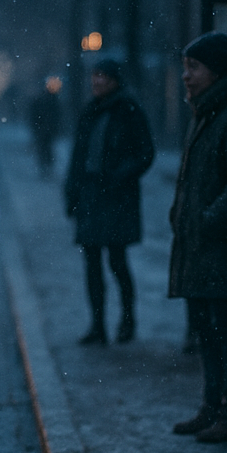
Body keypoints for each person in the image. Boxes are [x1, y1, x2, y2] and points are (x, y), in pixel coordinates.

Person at [169, 31, 227, 443]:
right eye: (185, 67)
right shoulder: (205, 113)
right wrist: (183, 215)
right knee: (208, 329)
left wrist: (208, 220)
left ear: (216, 70)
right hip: (202, 245)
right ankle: (211, 407)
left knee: (226, 330)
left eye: (194, 67)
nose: (186, 76)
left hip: (222, 247)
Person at [64, 59, 154, 344]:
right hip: (91, 196)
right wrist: (72, 192)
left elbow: (145, 153)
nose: (97, 81)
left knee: (117, 261)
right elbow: (78, 156)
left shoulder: (128, 109)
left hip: (115, 197)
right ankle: (97, 326)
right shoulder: (90, 110)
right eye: (95, 76)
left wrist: (119, 177)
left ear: (115, 80)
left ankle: (127, 321)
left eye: (102, 76)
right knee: (92, 264)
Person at [28, 78, 63, 176]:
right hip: (44, 128)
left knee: (46, 147)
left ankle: (47, 165)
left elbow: (57, 115)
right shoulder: (43, 100)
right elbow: (34, 115)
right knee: (44, 147)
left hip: (47, 128)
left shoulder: (51, 100)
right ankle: (45, 166)